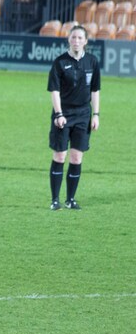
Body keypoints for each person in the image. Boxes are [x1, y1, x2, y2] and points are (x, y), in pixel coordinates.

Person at [47, 24, 101, 211]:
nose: (76, 41)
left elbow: (95, 90)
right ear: (68, 40)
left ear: (85, 41)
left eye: (80, 38)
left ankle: (70, 200)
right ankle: (55, 200)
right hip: (63, 114)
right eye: (73, 37)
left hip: (83, 115)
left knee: (77, 158)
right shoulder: (60, 62)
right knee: (60, 155)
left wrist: (96, 114)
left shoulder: (92, 62)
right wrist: (59, 113)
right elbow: (54, 90)